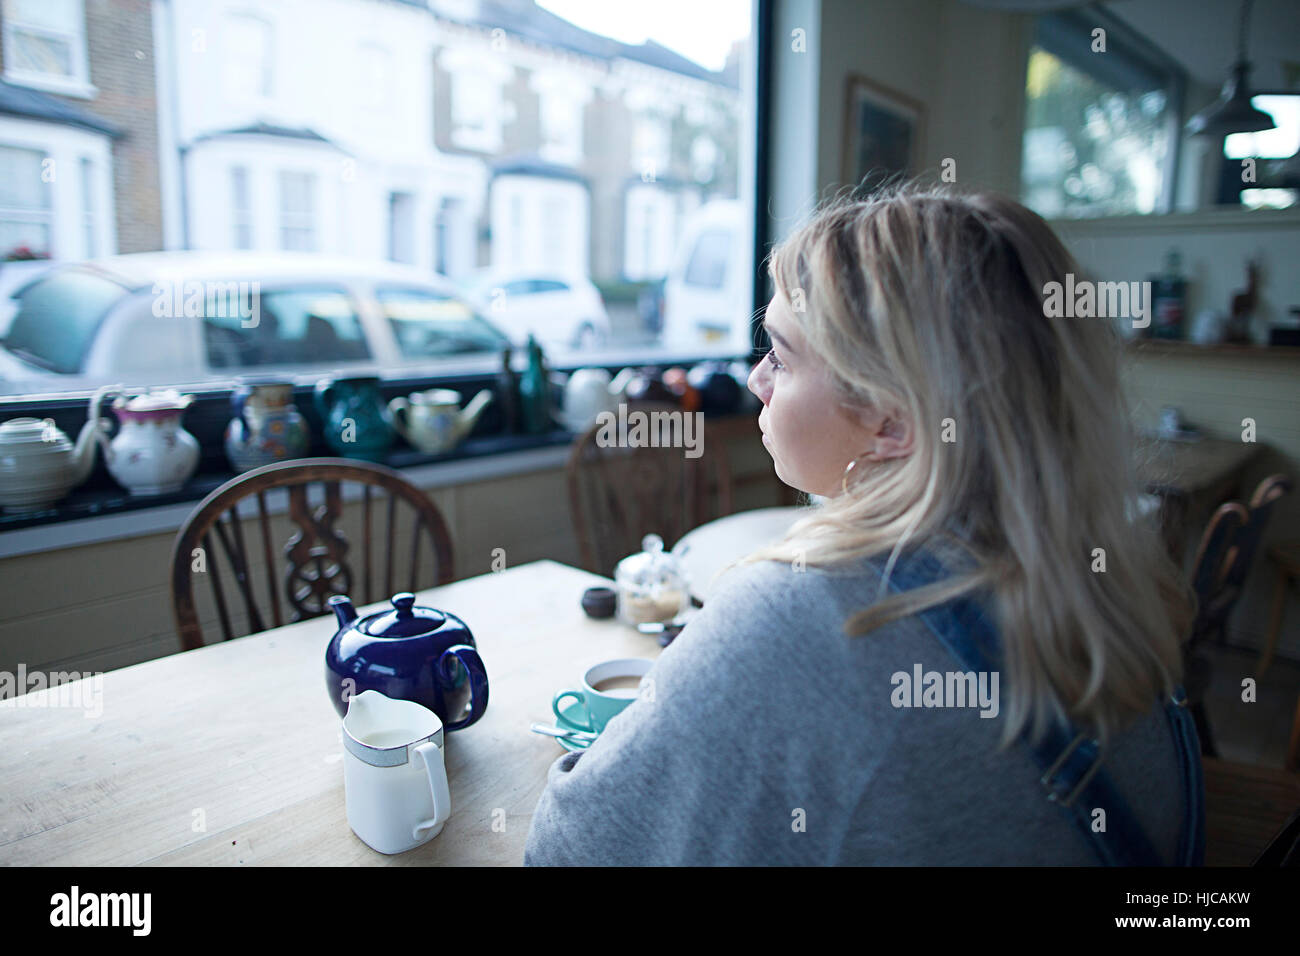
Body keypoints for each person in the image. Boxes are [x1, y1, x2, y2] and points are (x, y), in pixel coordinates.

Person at [523, 185, 1203, 866]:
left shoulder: (806, 616)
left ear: (894, 422)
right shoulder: (1108, 586)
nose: (758, 378)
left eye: (782, 356)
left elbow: (568, 851)